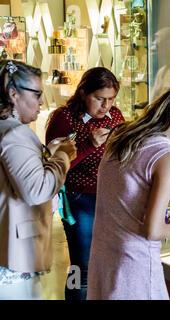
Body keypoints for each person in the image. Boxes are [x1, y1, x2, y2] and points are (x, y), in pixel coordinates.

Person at [87, 87, 170, 300]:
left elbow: (123, 195)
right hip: (135, 262)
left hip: (103, 255)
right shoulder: (167, 155)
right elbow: (152, 230)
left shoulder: (121, 138)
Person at [45, 67, 125, 300]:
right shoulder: (65, 118)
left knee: (110, 262)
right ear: (83, 93)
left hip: (112, 198)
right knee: (82, 267)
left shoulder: (116, 116)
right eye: (99, 99)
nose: (106, 106)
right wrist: (88, 144)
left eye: (110, 99)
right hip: (79, 199)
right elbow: (53, 165)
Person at [0, 60, 77, 300]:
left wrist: (47, 154)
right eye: (37, 94)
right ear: (13, 94)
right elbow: (36, 190)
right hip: (15, 251)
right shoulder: (15, 133)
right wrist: (63, 156)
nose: (41, 102)